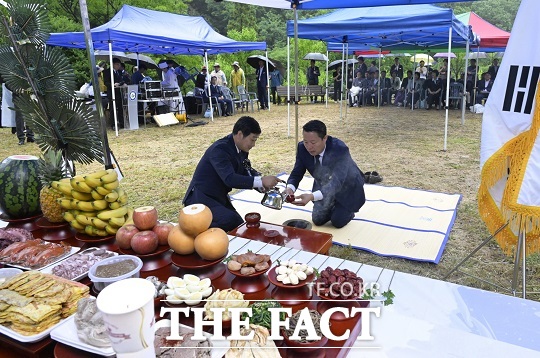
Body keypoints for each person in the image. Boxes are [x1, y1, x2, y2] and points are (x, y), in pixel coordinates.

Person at [183, 116, 281, 232]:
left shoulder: (240, 149)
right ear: (240, 134)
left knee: (239, 225)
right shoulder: (219, 150)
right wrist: (261, 181)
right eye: (253, 139)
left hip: (219, 197)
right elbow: (229, 178)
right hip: (200, 199)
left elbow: (244, 170)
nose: (254, 144)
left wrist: (261, 186)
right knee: (232, 223)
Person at [285, 120, 365, 229]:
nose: (309, 147)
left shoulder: (339, 149)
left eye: (313, 142)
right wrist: (290, 188)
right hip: (324, 184)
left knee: (337, 221)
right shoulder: (302, 148)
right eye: (305, 141)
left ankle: (346, 210)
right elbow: (297, 173)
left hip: (347, 187)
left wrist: (312, 196)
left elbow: (337, 182)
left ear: (325, 138)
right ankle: (330, 205)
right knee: (317, 220)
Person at [103, 57, 126, 129]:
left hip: (119, 92)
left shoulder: (119, 72)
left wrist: (121, 84)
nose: (118, 66)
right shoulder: (107, 72)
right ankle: (113, 124)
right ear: (112, 64)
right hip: (112, 92)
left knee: (120, 108)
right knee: (113, 109)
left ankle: (122, 123)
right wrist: (113, 85)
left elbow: (122, 80)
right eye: (117, 64)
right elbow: (106, 82)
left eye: (119, 65)